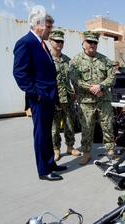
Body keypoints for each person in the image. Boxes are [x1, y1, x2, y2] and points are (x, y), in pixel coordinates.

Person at [13, 8, 66, 181]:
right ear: (38, 26)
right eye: (49, 27)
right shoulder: (26, 43)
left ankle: (51, 163)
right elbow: (20, 73)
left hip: (48, 97)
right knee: (41, 134)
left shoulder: (41, 44)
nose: (50, 31)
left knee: (47, 133)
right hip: (40, 98)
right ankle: (44, 170)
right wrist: (36, 94)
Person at [70, 31, 115, 165]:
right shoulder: (76, 61)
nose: (93, 44)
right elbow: (75, 79)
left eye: (95, 42)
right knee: (87, 128)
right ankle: (86, 153)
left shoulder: (105, 60)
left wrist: (101, 86)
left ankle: (111, 150)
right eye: (90, 42)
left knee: (108, 126)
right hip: (86, 102)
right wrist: (91, 88)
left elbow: (112, 78)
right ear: (83, 44)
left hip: (103, 100)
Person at [49, 30, 81, 161]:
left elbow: (73, 78)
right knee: (54, 127)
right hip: (54, 98)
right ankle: (56, 149)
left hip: (68, 97)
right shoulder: (47, 59)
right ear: (50, 41)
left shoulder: (67, 60)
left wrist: (75, 92)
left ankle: (70, 146)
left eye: (61, 41)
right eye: (57, 41)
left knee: (69, 123)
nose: (59, 43)